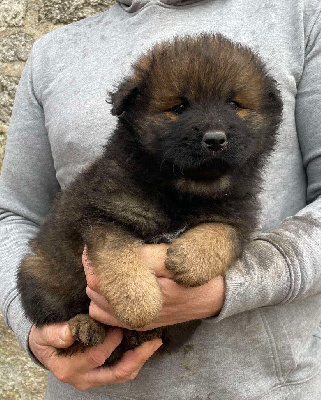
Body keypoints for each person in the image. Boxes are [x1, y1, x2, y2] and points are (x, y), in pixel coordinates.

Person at [1, 0, 321, 398]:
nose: (215, 132)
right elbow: (13, 213)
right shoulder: (52, 53)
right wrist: (35, 332)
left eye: (236, 106)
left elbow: (233, 227)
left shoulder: (304, 15)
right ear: (130, 113)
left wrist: (232, 284)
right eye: (178, 108)